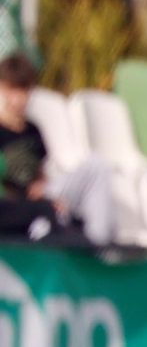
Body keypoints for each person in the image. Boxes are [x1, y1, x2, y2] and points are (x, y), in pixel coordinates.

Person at [0, 52, 115, 245]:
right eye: (12, 90)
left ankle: (98, 244)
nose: (18, 99)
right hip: (16, 205)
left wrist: (42, 187)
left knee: (97, 167)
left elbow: (39, 171)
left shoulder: (33, 130)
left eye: (23, 91)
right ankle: (43, 228)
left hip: (42, 194)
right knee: (43, 208)